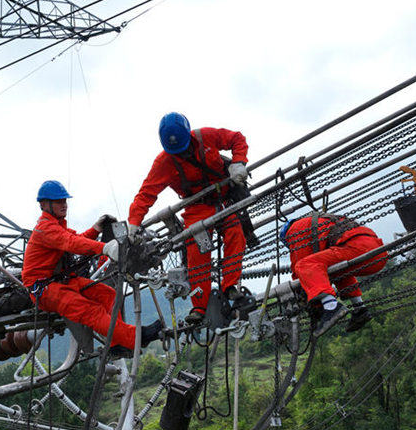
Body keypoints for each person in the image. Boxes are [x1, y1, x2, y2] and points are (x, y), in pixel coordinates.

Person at [127, 112, 249, 324]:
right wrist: (133, 222)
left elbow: (236, 138)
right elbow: (146, 193)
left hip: (223, 198)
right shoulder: (164, 162)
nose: (181, 153)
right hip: (196, 206)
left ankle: (230, 286)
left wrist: (239, 162)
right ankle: (199, 306)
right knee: (196, 251)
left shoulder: (206, 137)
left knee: (235, 234)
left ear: (188, 137)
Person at [22, 180, 162, 355]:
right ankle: (137, 337)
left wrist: (96, 229)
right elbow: (71, 243)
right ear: (44, 204)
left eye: (64, 201)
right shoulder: (45, 228)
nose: (64, 205)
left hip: (61, 282)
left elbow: (77, 238)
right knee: (91, 311)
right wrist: (104, 247)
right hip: (45, 290)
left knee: (109, 295)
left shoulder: (56, 226)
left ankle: (117, 343)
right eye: (59, 201)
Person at [280, 211, 389, 335]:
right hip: (378, 253)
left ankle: (331, 307)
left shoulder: (295, 231)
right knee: (336, 270)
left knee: (305, 265)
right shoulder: (320, 221)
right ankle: (360, 308)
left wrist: (309, 299)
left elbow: (300, 268)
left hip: (358, 249)